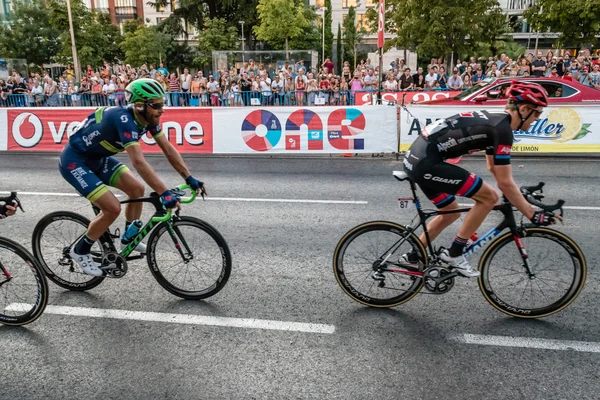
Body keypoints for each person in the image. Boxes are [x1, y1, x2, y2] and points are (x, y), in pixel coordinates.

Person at [402, 82, 560, 277]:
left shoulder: (498, 123)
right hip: (426, 162)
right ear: (524, 109)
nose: (536, 119)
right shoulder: (503, 130)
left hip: (418, 159)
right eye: (537, 114)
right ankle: (454, 253)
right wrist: (532, 215)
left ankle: (413, 256)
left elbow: (494, 168)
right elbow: (503, 182)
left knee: (450, 212)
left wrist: (517, 194)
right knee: (489, 197)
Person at [58, 79, 205, 277]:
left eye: (163, 103)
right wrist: (164, 193)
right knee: (112, 208)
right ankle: (80, 251)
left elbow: (168, 149)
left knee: (137, 189)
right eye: (156, 105)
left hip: (98, 159)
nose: (161, 110)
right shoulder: (124, 119)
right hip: (75, 162)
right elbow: (138, 162)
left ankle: (128, 238)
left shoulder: (148, 119)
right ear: (139, 105)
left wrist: (189, 177)